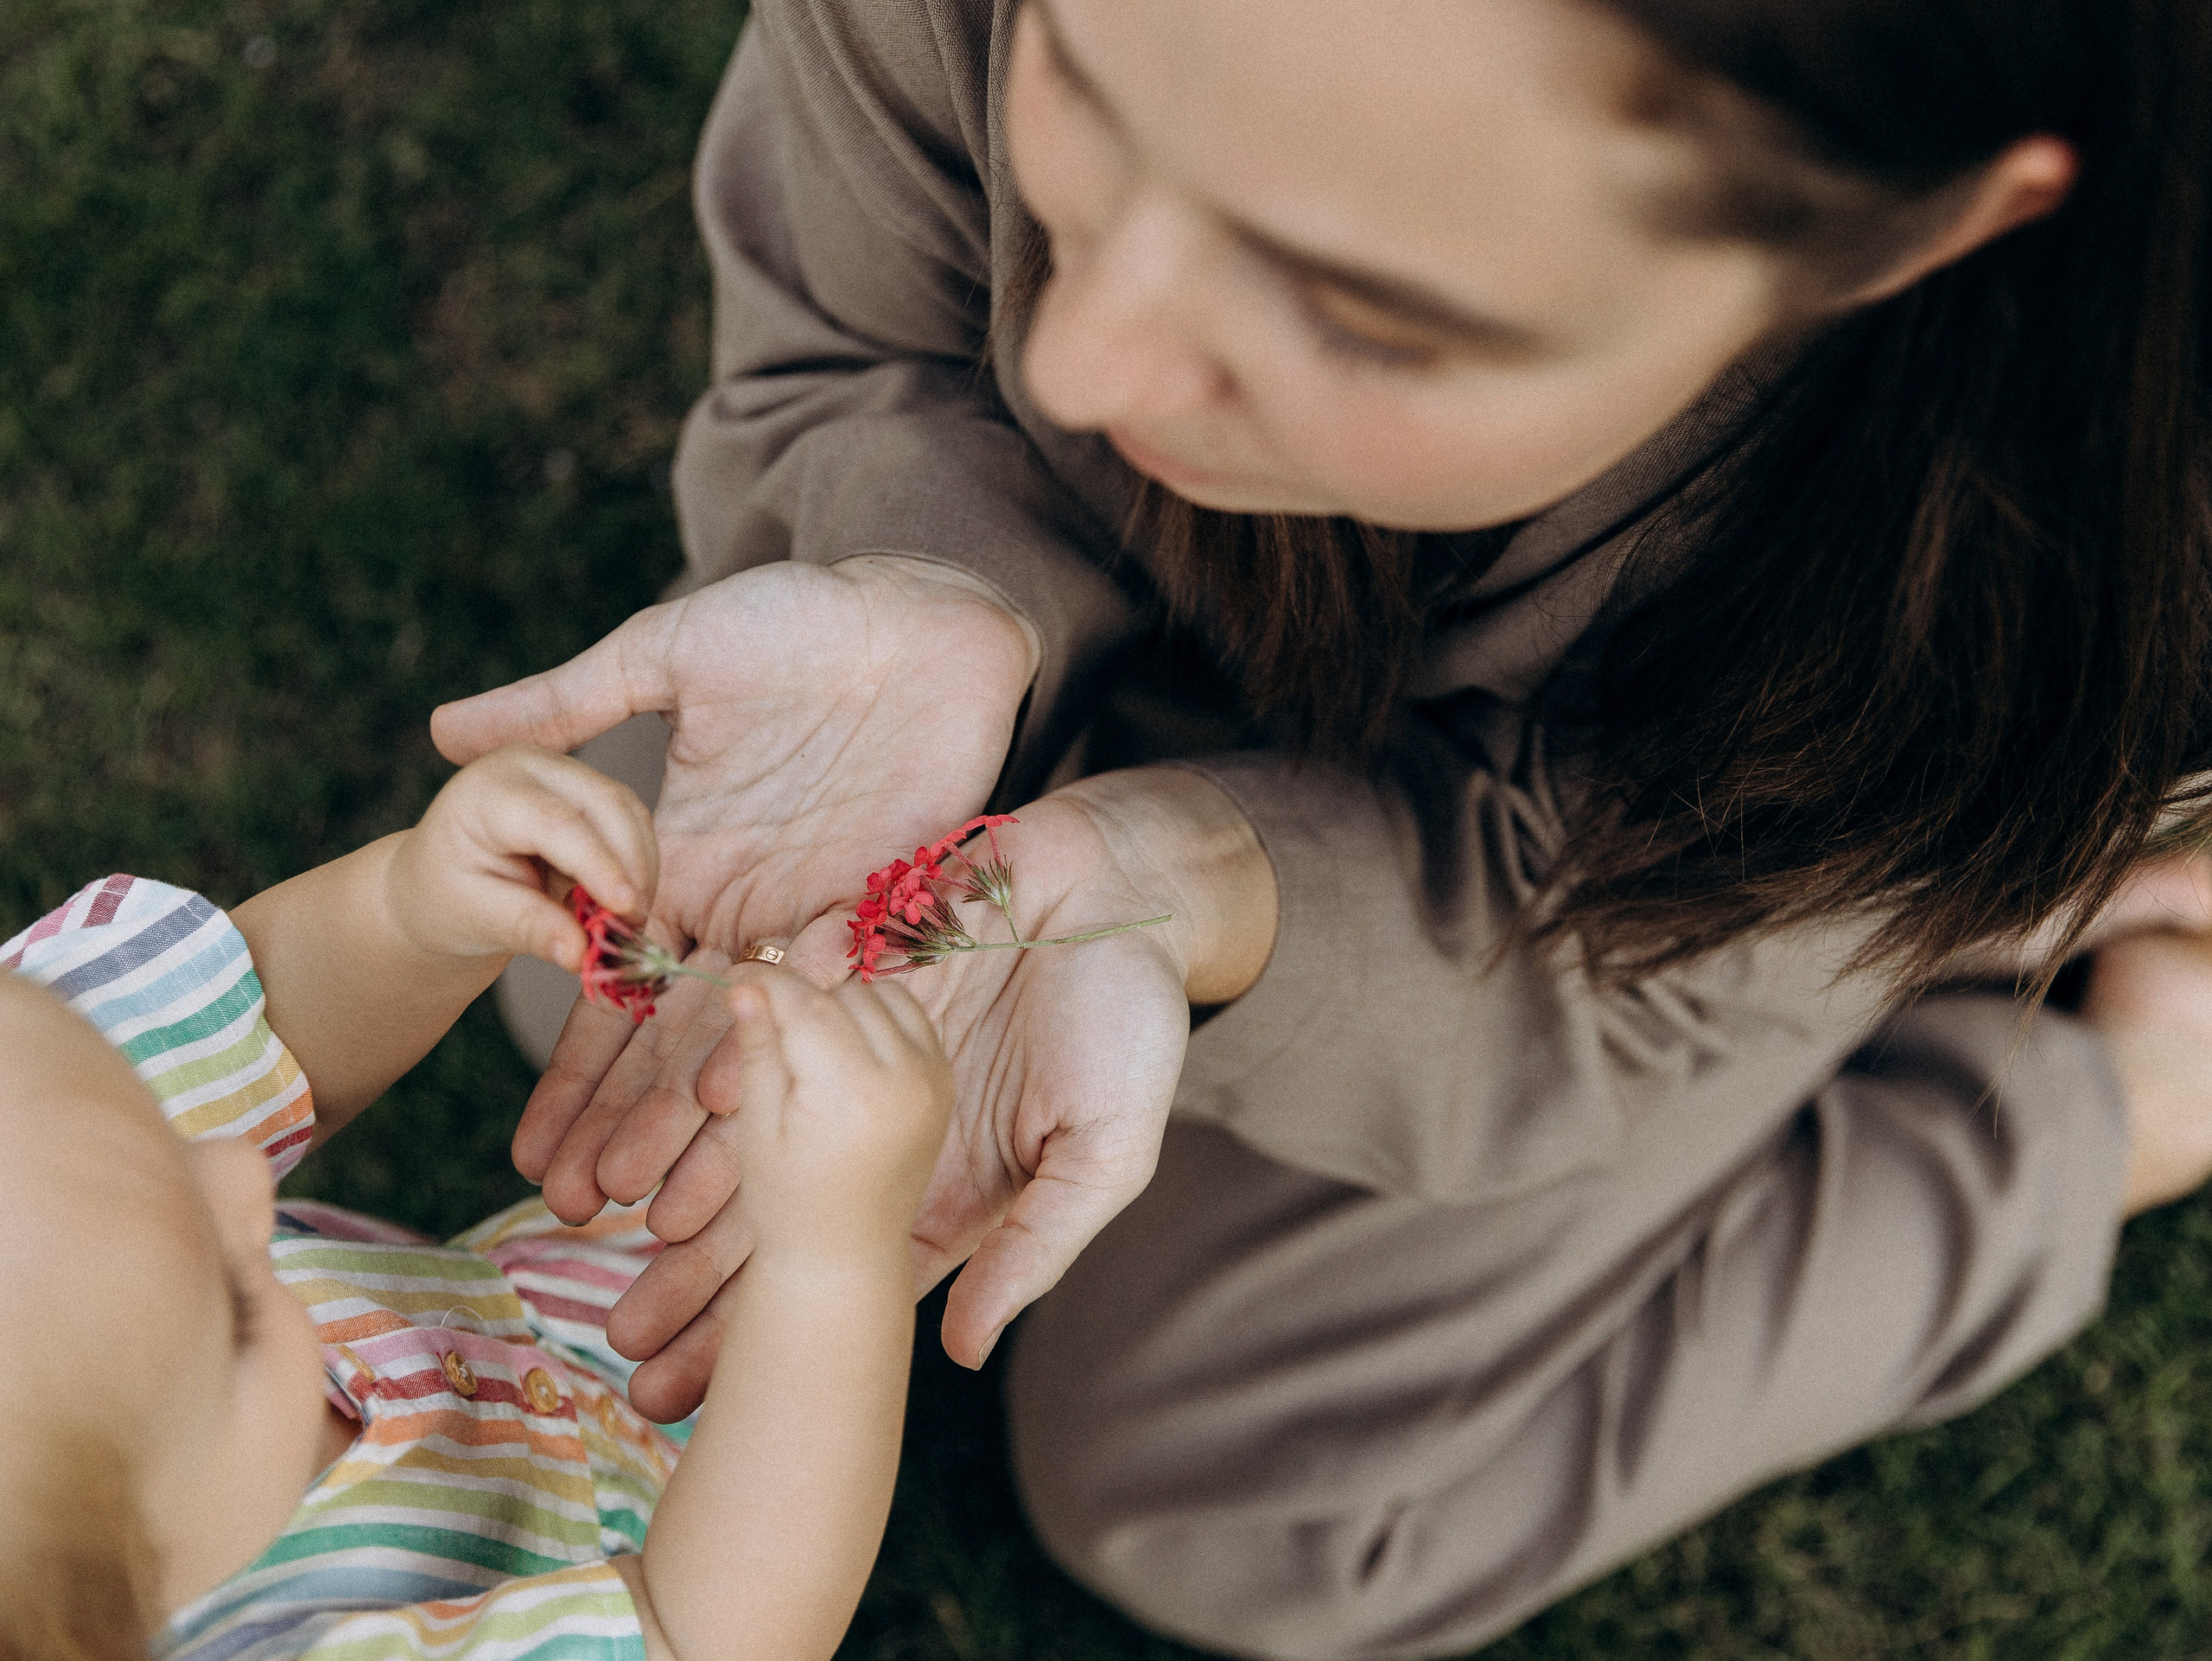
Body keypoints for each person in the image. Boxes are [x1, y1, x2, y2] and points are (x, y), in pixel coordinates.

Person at [433, 0, 2212, 1653]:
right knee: (605, 992)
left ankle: (2114, 1098)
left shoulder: (2060, 555)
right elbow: (852, 339)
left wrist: (1211, 890)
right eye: (1079, 86)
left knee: (1226, 1497)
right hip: (1258, 781)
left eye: (1365, 310)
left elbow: (1620, 979)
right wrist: (930, 582)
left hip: (1628, 901)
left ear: (1895, 242)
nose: (1073, 357)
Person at [0, 746, 950, 1661]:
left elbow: (271, 1029)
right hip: (749, 1509)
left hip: (571, 1280)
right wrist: (830, 1257)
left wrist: (408, 909)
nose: (246, 1178)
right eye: (239, 1307)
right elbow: (698, 1629)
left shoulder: (37, 1130)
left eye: (175, 1144)